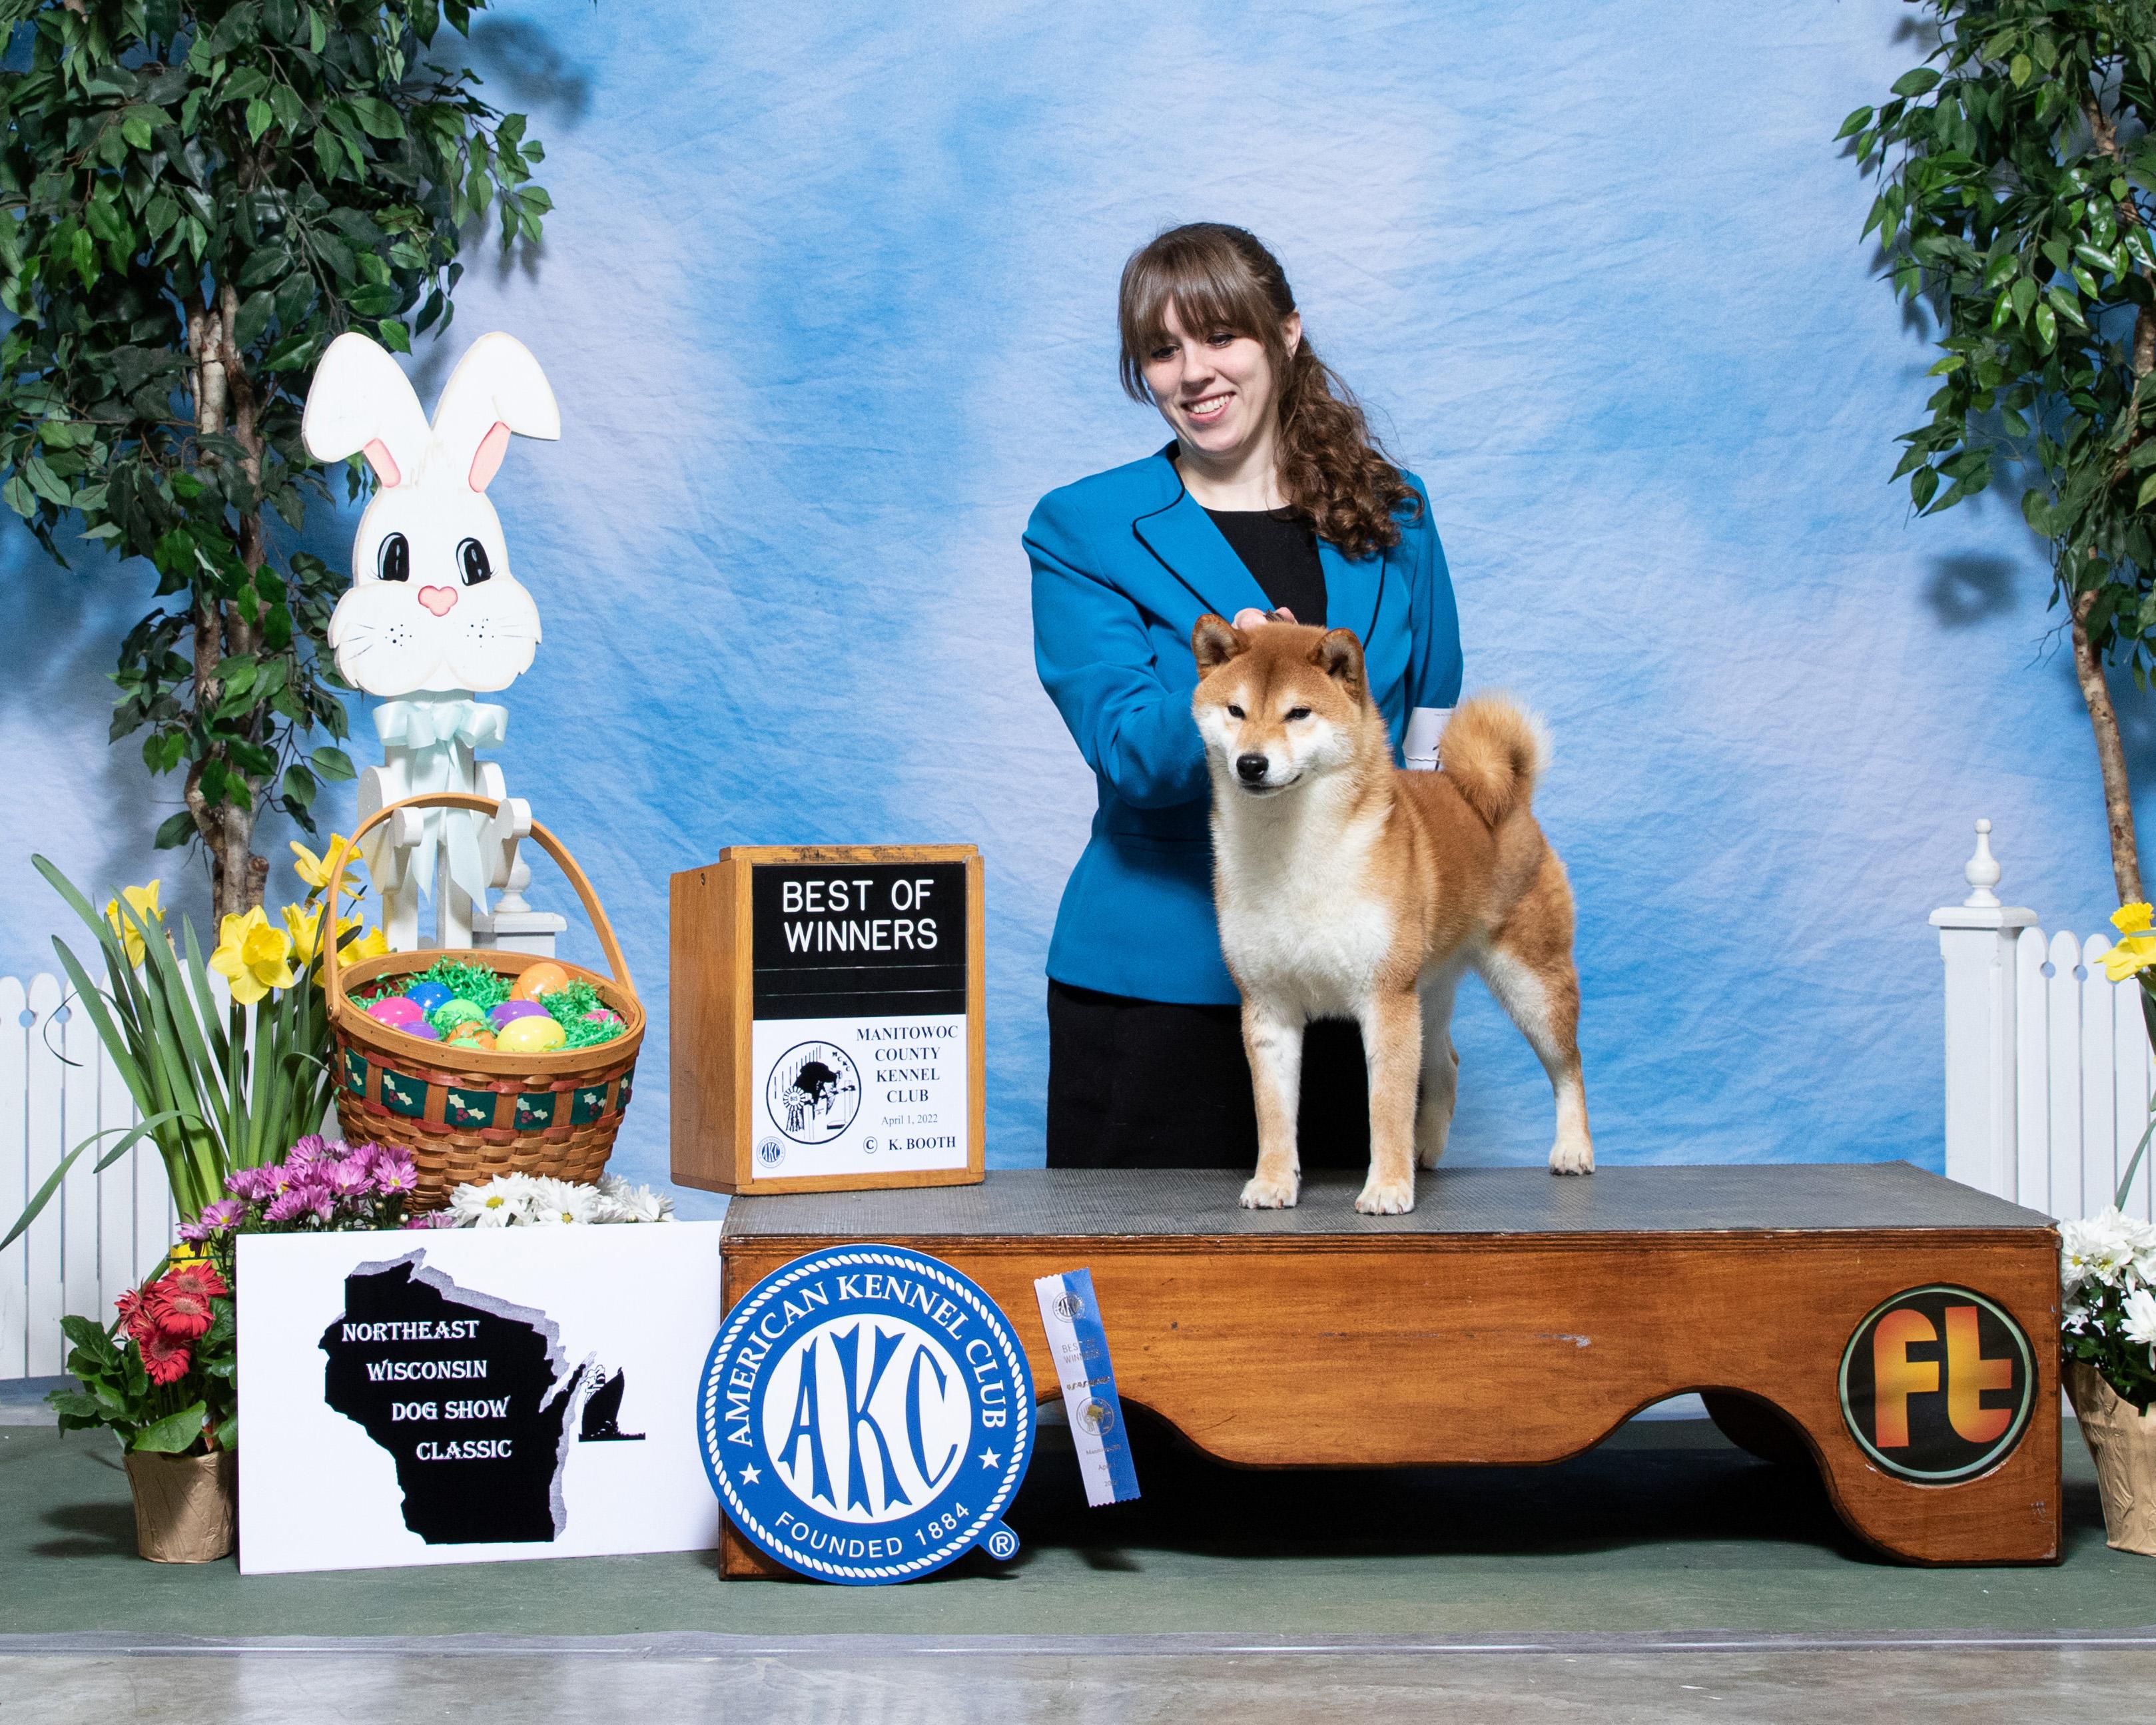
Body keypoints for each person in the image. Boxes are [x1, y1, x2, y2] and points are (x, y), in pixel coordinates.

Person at [1027, 222, 1463, 1170]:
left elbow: (1430, 711)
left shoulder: (1398, 511)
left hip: (1358, 984)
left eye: (1221, 336)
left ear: (1285, 335)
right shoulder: (1081, 527)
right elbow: (1129, 753)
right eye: (1161, 351)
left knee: (1359, 1266)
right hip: (1157, 998)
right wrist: (1236, 694)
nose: (1194, 372)